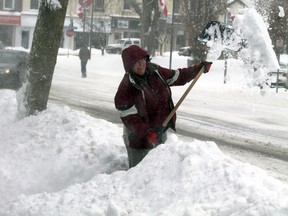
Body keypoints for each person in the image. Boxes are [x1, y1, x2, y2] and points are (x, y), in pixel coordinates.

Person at [114, 45, 212, 168]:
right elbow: (129, 118)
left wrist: (197, 69)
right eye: (136, 62)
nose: (141, 64)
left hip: (160, 130)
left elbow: (178, 76)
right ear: (129, 65)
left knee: (159, 172)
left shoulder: (156, 72)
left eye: (142, 60)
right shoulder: (126, 87)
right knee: (138, 175)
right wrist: (147, 133)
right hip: (139, 139)